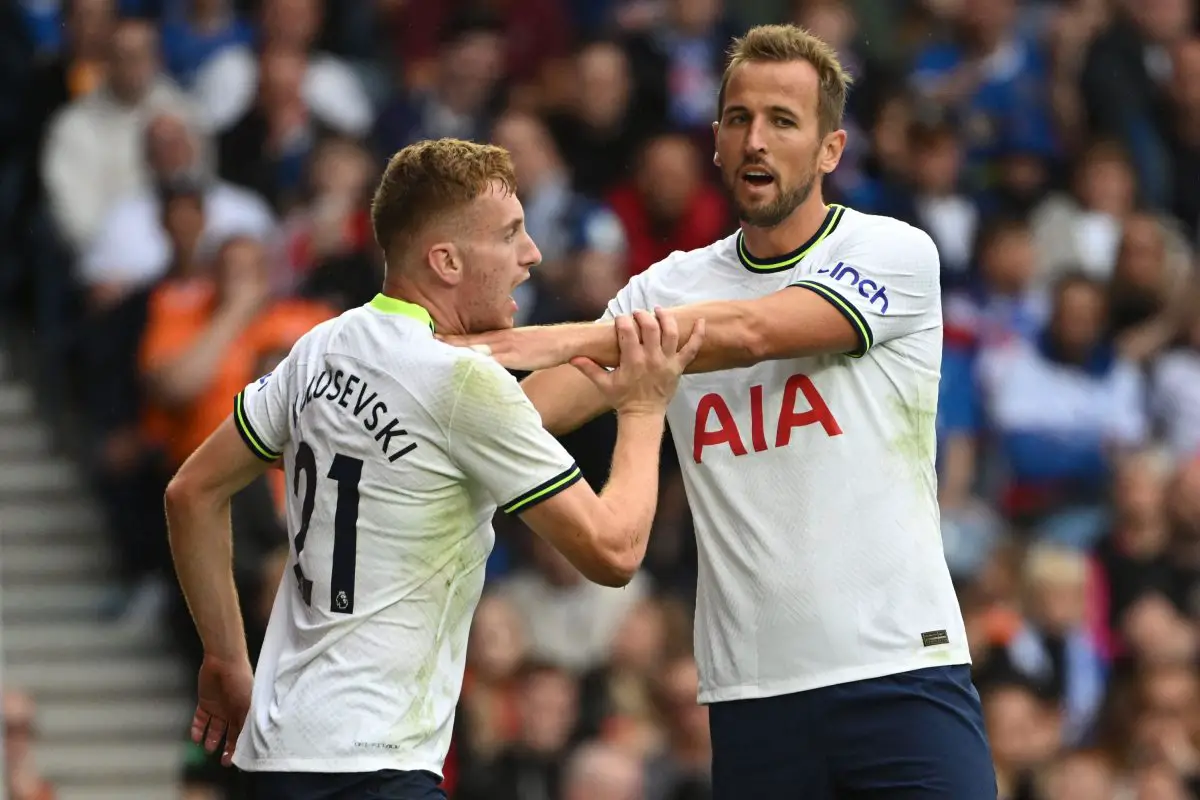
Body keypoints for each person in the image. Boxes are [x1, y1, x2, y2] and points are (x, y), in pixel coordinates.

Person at [444, 24, 997, 799]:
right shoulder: (664, 289)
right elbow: (533, 413)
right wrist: (430, 394)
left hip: (900, 672)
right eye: (738, 119)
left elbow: (753, 331)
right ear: (715, 140)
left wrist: (536, 338)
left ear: (832, 149)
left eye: (782, 120)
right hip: (752, 695)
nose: (755, 141)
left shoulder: (893, 253)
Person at [163, 138, 704, 800]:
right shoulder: (461, 384)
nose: (531, 255)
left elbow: (190, 493)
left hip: (277, 761)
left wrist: (223, 657)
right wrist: (646, 410)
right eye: (510, 236)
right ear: (446, 260)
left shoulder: (321, 347)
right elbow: (615, 551)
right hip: (373, 768)